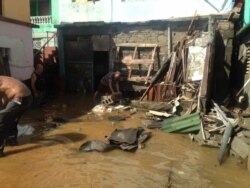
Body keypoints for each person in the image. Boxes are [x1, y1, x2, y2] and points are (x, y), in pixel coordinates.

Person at [0, 76, 33, 157]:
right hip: (28, 97)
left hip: (19, 98)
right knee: (11, 119)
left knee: (0, 120)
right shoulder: (4, 79)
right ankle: (12, 141)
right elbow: (5, 98)